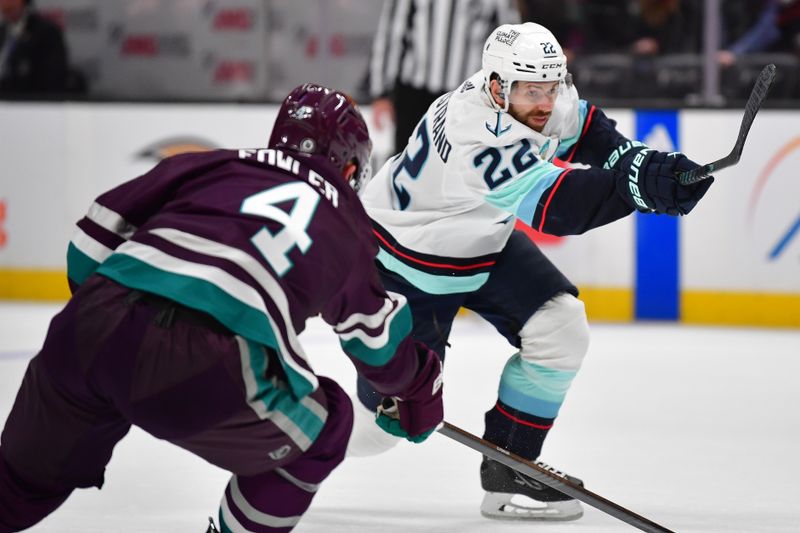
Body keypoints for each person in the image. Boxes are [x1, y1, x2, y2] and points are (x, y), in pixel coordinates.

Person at [0, 84, 444, 532]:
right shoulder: (345, 219)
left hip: (86, 328)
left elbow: (87, 247)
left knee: (14, 490)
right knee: (326, 429)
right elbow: (377, 347)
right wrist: (420, 389)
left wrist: (118, 335)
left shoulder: (215, 162)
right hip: (203, 361)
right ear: (350, 167)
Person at [351, 22, 713, 521]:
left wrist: (640, 162)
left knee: (560, 328)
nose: (544, 102)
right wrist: (638, 188)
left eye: (551, 86)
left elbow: (586, 129)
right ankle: (294, 445)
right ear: (497, 86)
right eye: (530, 91)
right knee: (383, 425)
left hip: (479, 239)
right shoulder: (473, 132)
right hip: (407, 260)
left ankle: (510, 468)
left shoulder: (534, 92)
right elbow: (559, 210)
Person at [369, 0, 520, 158]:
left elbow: (510, 38)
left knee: (462, 169)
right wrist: (382, 93)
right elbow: (392, 30)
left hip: (468, 98)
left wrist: (509, 96)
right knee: (409, 166)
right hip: (415, 95)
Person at [0, 0, 69, 94]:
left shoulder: (46, 32)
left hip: (30, 101)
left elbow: (54, 78)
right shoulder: (3, 31)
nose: (6, 4)